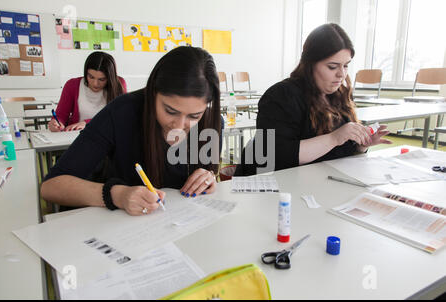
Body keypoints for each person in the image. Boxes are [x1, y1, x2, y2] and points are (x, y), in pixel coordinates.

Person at [41, 46, 222, 216]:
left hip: (182, 225)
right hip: (125, 231)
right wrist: (117, 195)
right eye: (170, 111)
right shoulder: (122, 112)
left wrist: (207, 178)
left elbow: (207, 176)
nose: (179, 126)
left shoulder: (211, 123)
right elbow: (51, 186)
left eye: (194, 115)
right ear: (153, 93)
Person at [235, 23, 391, 176]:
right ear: (309, 64)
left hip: (317, 184)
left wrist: (360, 146)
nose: (341, 74)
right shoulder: (280, 96)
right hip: (268, 186)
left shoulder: (339, 94)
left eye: (346, 66)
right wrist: (334, 138)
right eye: (332, 66)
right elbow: (277, 156)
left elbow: (339, 153)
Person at [48, 51, 127, 132]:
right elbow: (61, 115)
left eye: (101, 79)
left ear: (110, 78)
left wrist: (87, 123)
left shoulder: (118, 84)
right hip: (77, 136)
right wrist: (56, 122)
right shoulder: (72, 85)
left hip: (107, 136)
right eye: (91, 77)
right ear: (86, 72)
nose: (95, 83)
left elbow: (120, 117)